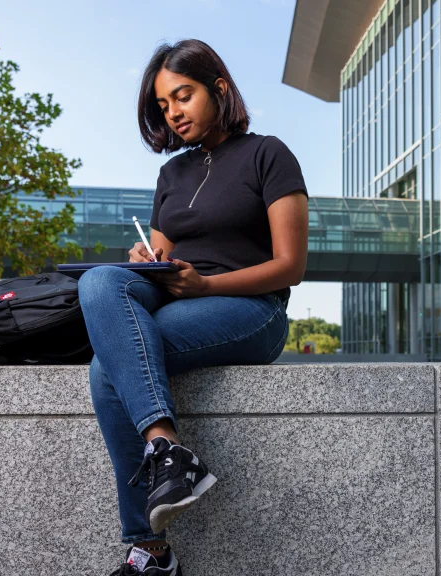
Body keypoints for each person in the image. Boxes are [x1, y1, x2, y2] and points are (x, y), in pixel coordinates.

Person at [77, 39, 309, 576]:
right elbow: (165, 254)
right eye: (163, 105)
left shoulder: (267, 154)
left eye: (183, 95)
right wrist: (148, 259)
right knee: (100, 280)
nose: (173, 113)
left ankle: (149, 552)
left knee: (105, 366)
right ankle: (168, 450)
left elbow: (291, 265)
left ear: (219, 89)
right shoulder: (171, 176)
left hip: (251, 307)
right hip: (181, 294)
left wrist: (208, 287)